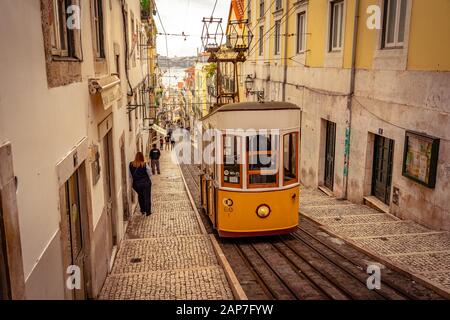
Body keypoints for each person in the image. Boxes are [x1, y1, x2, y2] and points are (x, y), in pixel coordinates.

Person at [129, 152, 152, 216]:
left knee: (140, 196)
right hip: (146, 183)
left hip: (137, 184)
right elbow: (150, 173)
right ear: (142, 157)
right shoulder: (144, 164)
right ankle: (148, 212)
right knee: (147, 196)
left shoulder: (131, 164)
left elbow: (130, 175)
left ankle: (143, 210)